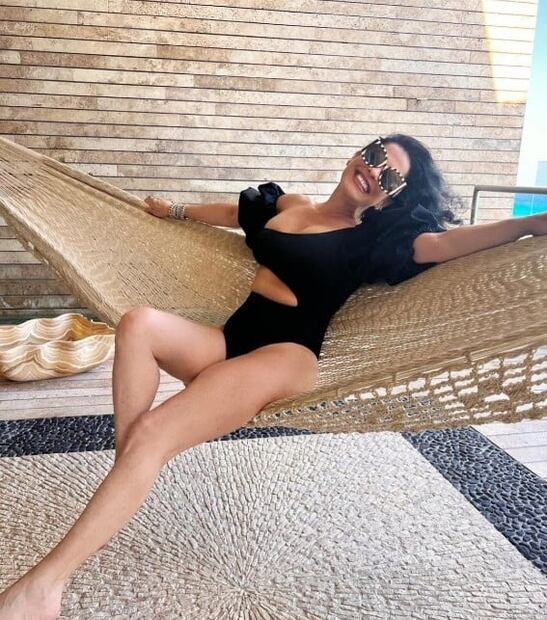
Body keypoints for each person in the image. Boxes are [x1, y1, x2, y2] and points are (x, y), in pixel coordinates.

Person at [1, 134, 545, 619]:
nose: (375, 170)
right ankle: (125, 482)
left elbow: (445, 245)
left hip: (285, 354)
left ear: (390, 197)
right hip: (231, 338)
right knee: (137, 324)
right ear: (359, 152)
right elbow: (237, 214)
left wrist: (530, 224)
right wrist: (176, 211)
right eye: (376, 154)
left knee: (151, 435)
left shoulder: (372, 241)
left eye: (390, 177)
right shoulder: (290, 205)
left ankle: (43, 588)